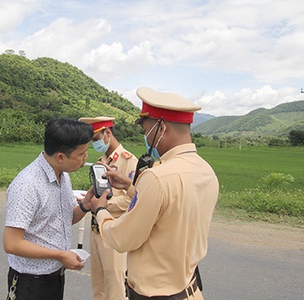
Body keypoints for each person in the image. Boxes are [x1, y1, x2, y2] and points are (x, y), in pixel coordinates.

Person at [89, 87, 219, 300]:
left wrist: (100, 210)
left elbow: (123, 239)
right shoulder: (205, 171)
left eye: (146, 131)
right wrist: (131, 188)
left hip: (157, 295)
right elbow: (169, 209)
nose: (146, 138)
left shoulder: (157, 177)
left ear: (162, 128)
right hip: (190, 290)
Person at [3, 118, 95, 300]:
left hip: (54, 276)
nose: (85, 159)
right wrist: (60, 255)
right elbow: (12, 244)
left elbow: (66, 218)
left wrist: (85, 206)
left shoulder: (62, 176)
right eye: (81, 154)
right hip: (30, 282)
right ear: (61, 156)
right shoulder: (27, 185)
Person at [78, 116, 138, 300]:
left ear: (108, 133)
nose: (95, 144)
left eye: (96, 139)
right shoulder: (101, 160)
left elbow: (133, 199)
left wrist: (104, 205)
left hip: (114, 233)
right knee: (99, 288)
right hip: (96, 231)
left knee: (115, 289)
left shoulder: (128, 161)